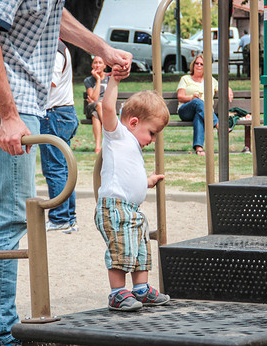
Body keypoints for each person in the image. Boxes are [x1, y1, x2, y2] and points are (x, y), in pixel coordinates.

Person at [0, 1, 132, 345]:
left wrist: (102, 48)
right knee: (11, 216)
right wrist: (8, 114)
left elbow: (53, 16)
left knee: (1, 214)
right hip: (3, 98)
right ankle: (1, 333)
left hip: (19, 96)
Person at [95, 66, 171, 312]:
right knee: (121, 248)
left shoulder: (132, 145)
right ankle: (117, 293)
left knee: (140, 248)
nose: (153, 139)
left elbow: (127, 172)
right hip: (114, 207)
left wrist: (146, 181)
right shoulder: (117, 135)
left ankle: (141, 289)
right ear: (134, 122)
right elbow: (107, 108)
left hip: (131, 209)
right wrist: (114, 81)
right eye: (152, 133)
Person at [41, 39, 78, 234]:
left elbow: (50, 83)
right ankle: (69, 217)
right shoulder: (60, 47)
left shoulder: (54, 50)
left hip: (54, 114)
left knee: (55, 168)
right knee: (64, 169)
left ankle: (60, 217)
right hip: (62, 113)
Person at [176, 54, 233, 156]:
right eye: (196, 63)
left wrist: (228, 89)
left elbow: (222, 88)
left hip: (202, 113)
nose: (198, 66)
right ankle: (218, 125)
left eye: (201, 64)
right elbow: (180, 96)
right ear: (193, 65)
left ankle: (199, 149)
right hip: (185, 110)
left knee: (199, 116)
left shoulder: (210, 80)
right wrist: (191, 98)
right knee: (198, 102)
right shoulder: (185, 79)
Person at [84, 56, 109, 153]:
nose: (97, 65)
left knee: (96, 115)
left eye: (100, 63)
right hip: (92, 106)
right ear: (92, 65)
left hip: (105, 107)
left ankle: (98, 147)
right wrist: (98, 80)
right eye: (95, 63)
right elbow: (94, 98)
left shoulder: (110, 78)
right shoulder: (88, 80)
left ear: (105, 65)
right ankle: (108, 129)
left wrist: (103, 102)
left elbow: (112, 95)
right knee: (98, 105)